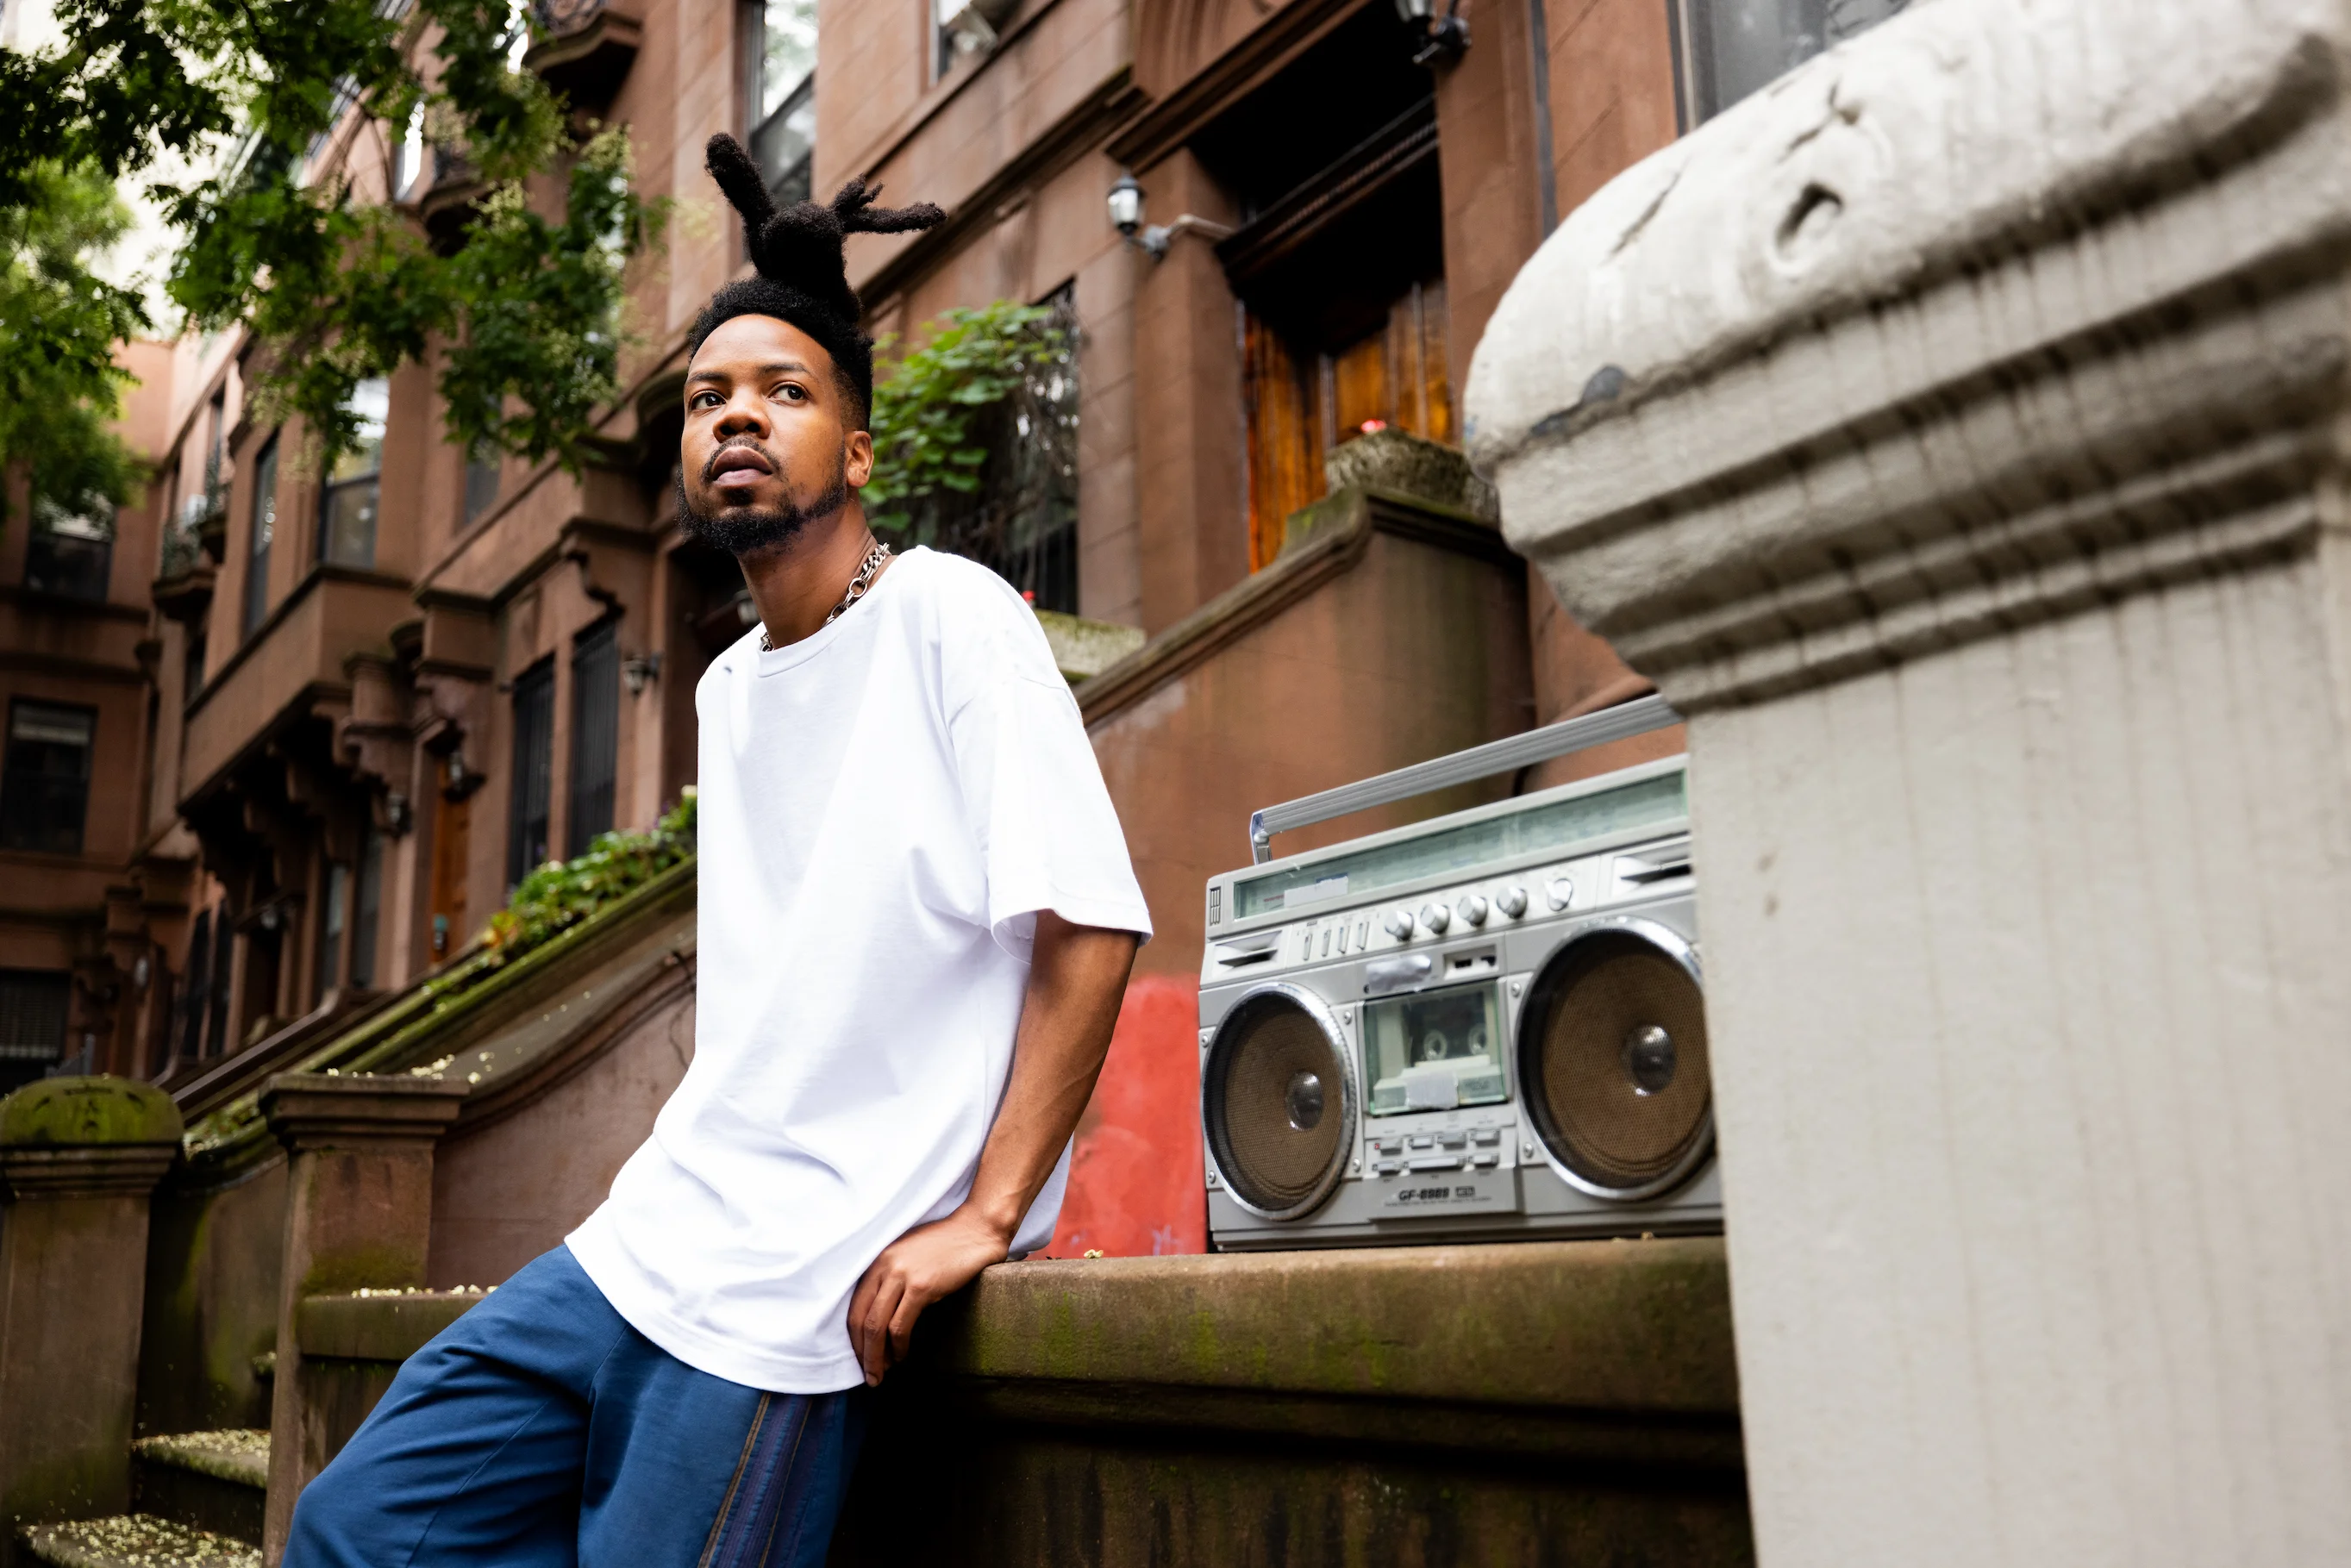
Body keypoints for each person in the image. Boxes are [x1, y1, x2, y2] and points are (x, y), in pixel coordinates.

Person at [284, 134, 1153, 1568]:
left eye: (782, 392)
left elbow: (1091, 922)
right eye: (706, 398)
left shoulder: (950, 616)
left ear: (857, 448)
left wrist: (991, 1212)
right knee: (354, 1526)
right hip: (648, 1243)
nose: (734, 418)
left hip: (803, 1294)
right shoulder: (729, 687)